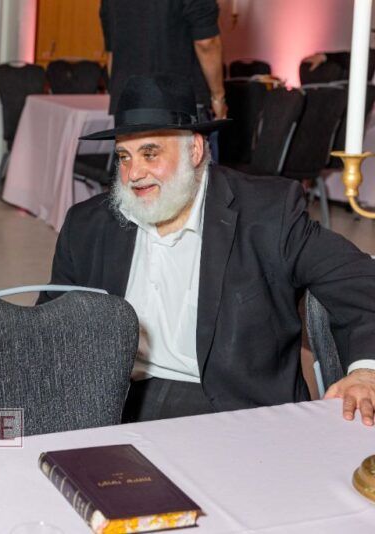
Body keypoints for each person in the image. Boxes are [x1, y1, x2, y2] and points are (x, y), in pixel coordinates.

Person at [39, 74, 375, 425]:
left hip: (234, 409)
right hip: (118, 402)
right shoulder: (88, 225)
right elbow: (51, 326)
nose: (133, 173)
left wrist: (366, 371)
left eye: (150, 154)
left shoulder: (266, 213)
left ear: (195, 150)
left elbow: (360, 281)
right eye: (124, 157)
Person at [99, 0, 227, 121]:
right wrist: (218, 97)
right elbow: (206, 43)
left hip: (128, 102)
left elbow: (112, 53)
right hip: (178, 100)